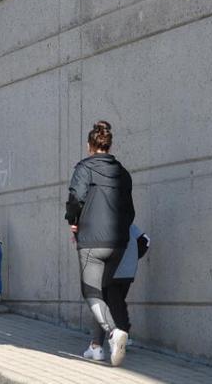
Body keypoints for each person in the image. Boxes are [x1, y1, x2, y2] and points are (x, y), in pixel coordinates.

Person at [65, 121, 135, 367]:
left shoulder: (85, 168)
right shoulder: (122, 172)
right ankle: (96, 347)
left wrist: (73, 221)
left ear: (90, 145)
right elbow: (130, 210)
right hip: (118, 242)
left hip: (92, 239)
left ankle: (113, 332)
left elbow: (75, 198)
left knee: (90, 291)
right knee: (102, 293)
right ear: (108, 144)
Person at [84, 224, 150, 360]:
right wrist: (132, 257)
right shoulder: (129, 225)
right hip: (128, 271)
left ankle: (110, 340)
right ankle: (102, 342)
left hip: (111, 271)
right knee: (117, 303)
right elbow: (146, 241)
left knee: (104, 304)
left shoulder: (104, 223)